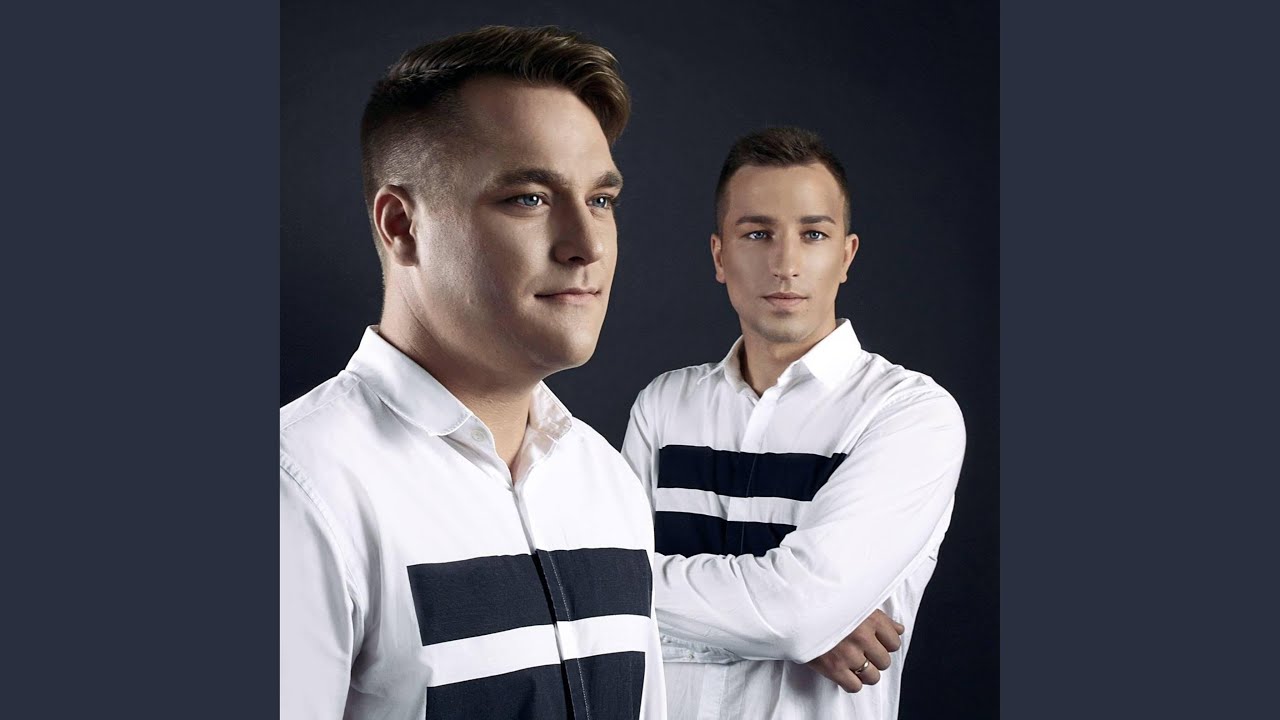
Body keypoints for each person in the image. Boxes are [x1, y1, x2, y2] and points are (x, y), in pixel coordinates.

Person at [280, 26, 665, 720]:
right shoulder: (300, 488)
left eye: (601, 200)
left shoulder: (608, 484)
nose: (586, 245)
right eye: (529, 198)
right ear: (401, 225)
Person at [622, 126, 966, 719]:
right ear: (720, 256)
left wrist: (797, 622)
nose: (785, 264)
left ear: (846, 256)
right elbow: (602, 599)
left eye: (813, 234)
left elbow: (793, 614)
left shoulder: (910, 413)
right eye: (758, 233)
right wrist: (801, 626)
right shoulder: (663, 406)